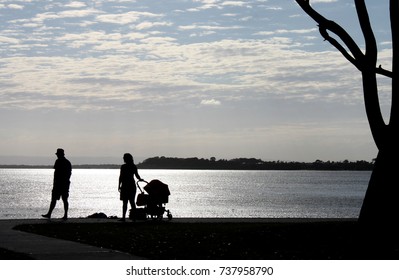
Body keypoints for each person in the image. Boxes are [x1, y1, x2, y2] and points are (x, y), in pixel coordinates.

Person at [42, 148, 72, 220]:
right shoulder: (67, 162)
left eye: (58, 154)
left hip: (60, 184)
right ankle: (61, 215)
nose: (57, 156)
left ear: (60, 154)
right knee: (62, 200)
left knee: (58, 200)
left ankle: (59, 215)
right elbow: (68, 174)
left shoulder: (59, 161)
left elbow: (59, 173)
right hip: (63, 184)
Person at [118, 153, 143, 221]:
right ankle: (133, 218)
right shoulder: (133, 166)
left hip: (126, 186)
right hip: (131, 185)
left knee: (125, 202)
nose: (123, 159)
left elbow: (121, 177)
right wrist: (140, 179)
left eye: (124, 158)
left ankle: (124, 217)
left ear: (126, 159)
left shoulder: (123, 167)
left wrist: (119, 185)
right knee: (131, 202)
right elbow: (137, 175)